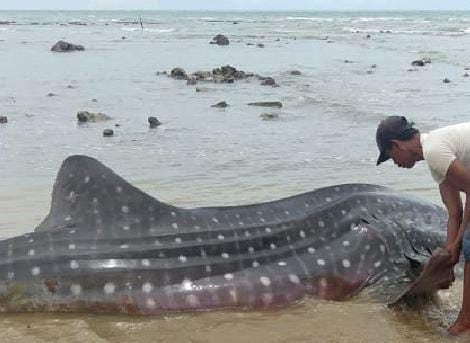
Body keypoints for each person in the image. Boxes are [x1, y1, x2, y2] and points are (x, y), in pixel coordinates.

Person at [375, 116, 470, 335]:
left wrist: (458, 244)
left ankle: (466, 319)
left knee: (469, 244)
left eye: (390, 157)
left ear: (396, 145)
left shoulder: (435, 150)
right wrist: (448, 255)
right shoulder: (436, 160)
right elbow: (455, 212)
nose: (396, 164)